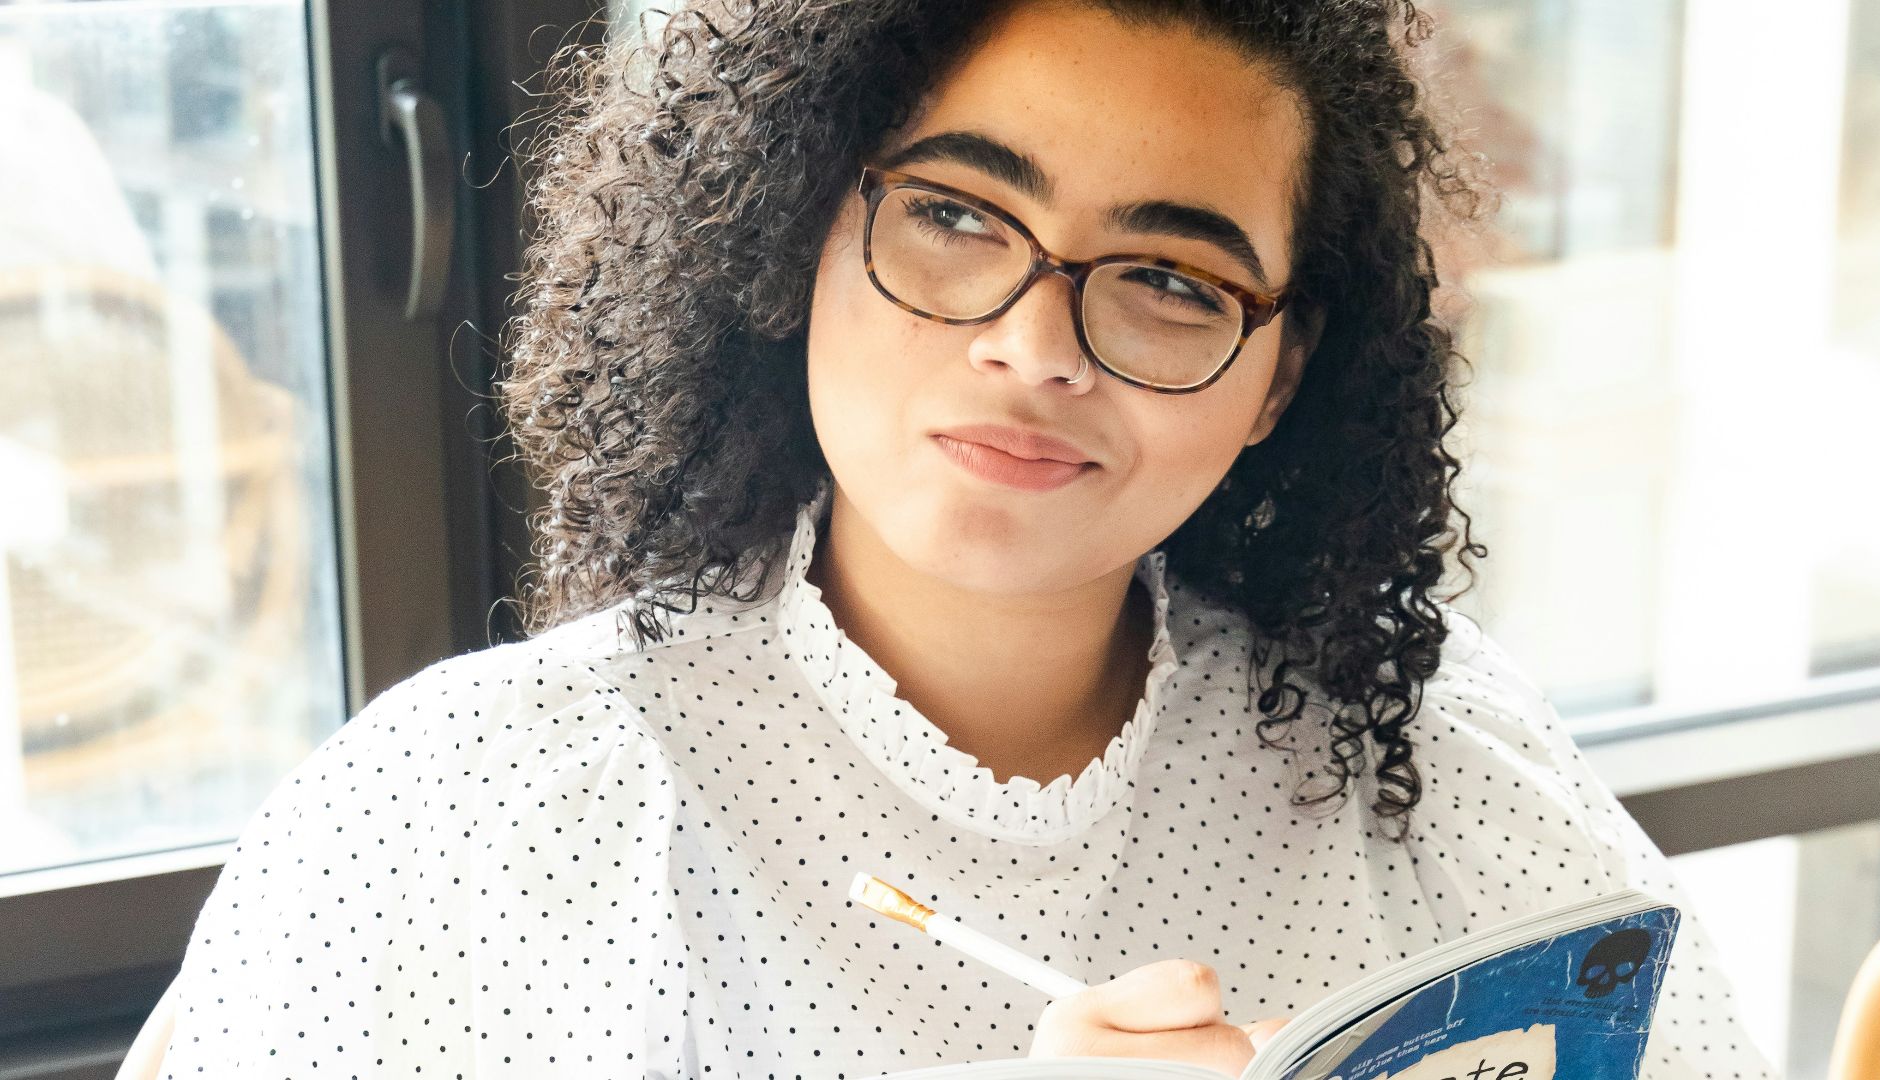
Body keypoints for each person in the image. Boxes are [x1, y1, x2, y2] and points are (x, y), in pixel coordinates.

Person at [156, 1, 1777, 1077]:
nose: (1036, 344)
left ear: (1281, 376)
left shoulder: (1439, 773)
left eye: (1168, 277)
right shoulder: (472, 814)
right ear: (795, 228)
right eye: (952, 214)